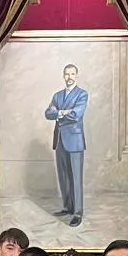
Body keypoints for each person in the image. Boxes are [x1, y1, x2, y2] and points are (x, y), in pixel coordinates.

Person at [46, 64, 89, 224]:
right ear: (63, 76)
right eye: (67, 74)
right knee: (63, 176)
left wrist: (58, 113)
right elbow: (48, 113)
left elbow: (76, 115)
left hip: (75, 141)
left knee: (76, 178)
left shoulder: (82, 94)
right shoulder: (57, 95)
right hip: (59, 140)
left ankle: (77, 213)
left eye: (72, 74)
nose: (69, 77)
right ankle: (68, 207)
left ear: (76, 76)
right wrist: (63, 112)